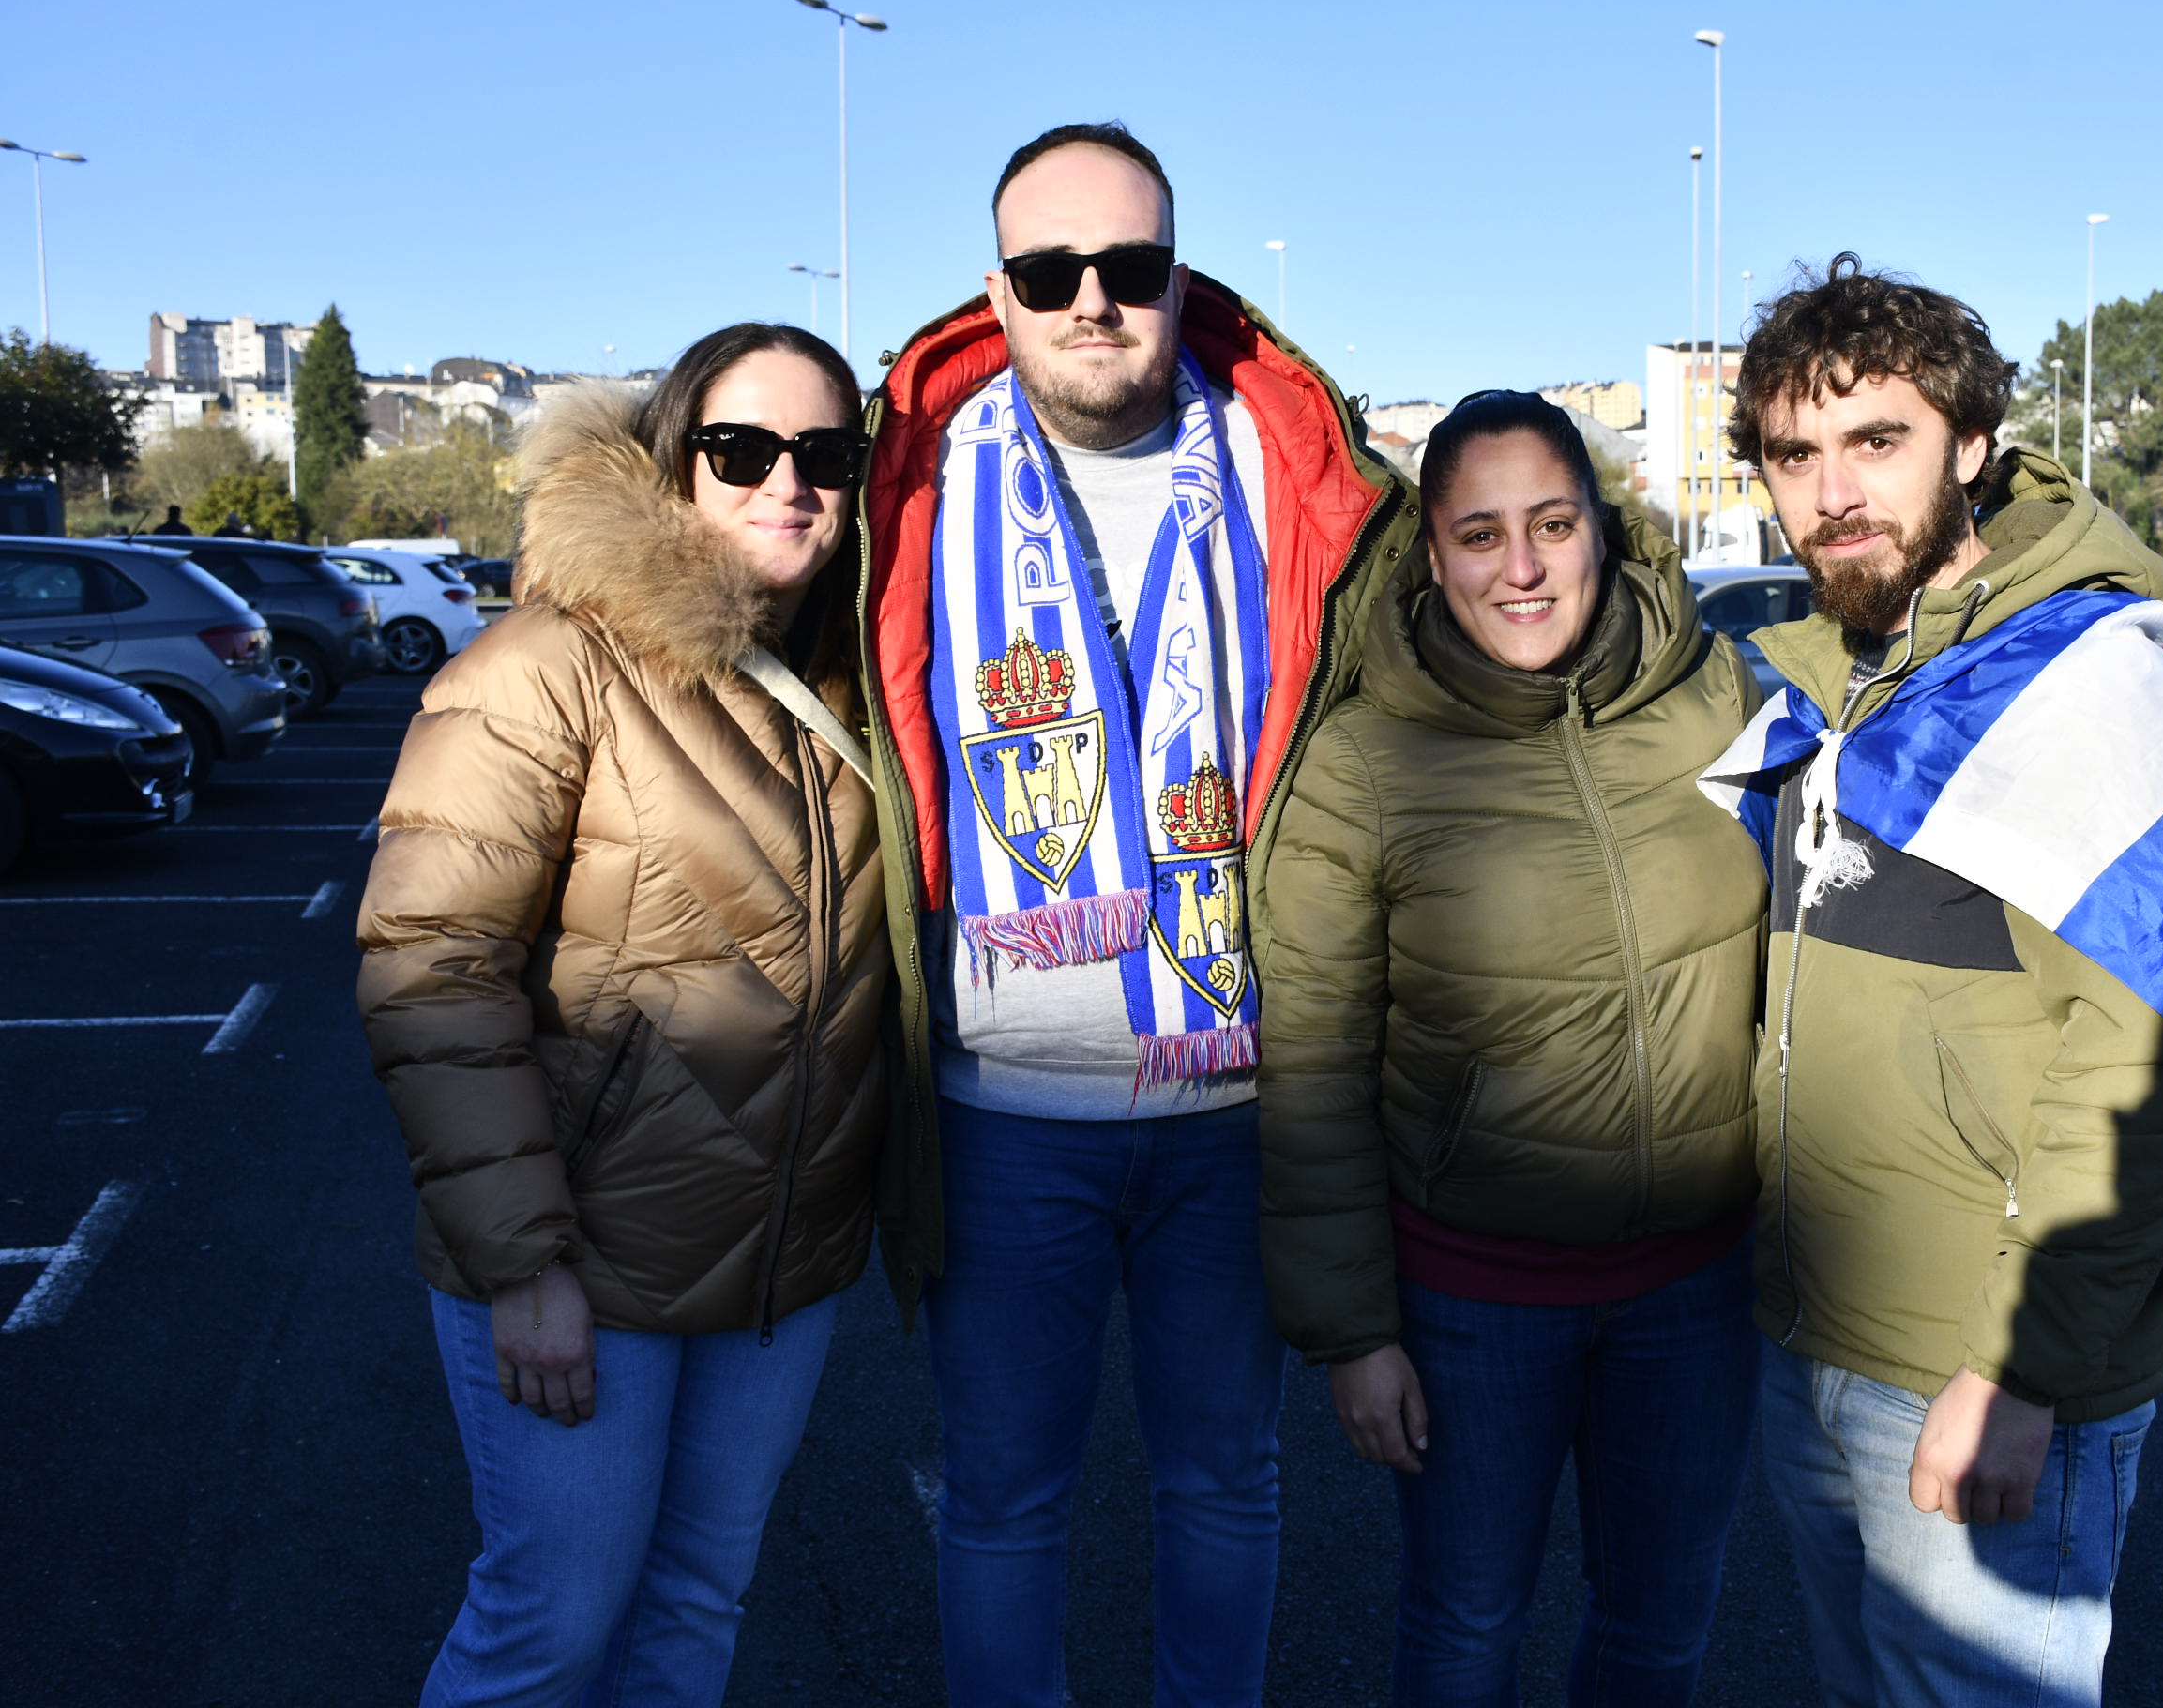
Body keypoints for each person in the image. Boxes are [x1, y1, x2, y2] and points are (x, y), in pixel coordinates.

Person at [853, 120, 1418, 1704]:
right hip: (1000, 1108)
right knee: (1004, 1503)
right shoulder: (907, 476)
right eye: (1052, 271)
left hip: (1236, 1099)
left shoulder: (1285, 460)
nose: (1093, 299)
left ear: (1180, 273)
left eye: (1130, 265)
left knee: (1226, 1483)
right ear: (999, 290)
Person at [1700, 256, 2163, 1708]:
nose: (1834, 489)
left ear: (1971, 446)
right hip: (1819, 1337)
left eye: (1876, 440)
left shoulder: (2093, 689)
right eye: (1794, 453)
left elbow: (2147, 1074)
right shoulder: (1835, 680)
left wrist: (2023, 1375)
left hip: (1979, 1364)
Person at [356, 323, 906, 1707]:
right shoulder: (548, 663)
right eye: (743, 450)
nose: (789, 483)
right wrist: (524, 1260)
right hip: (588, 1261)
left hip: (780, 1265)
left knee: (696, 1606)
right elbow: (433, 964)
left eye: (827, 455)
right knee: (550, 1619)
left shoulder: (847, 678)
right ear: (674, 467)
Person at [1257, 389, 1767, 1704]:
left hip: (1694, 1291)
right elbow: (1310, 1068)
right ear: (1432, 555)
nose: (1522, 566)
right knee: (1468, 1632)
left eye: (1552, 522)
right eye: (1480, 535)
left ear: (1605, 529)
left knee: (1661, 1632)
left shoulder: (1715, 696)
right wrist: (1353, 1333)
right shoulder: (1365, 760)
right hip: (1473, 1305)